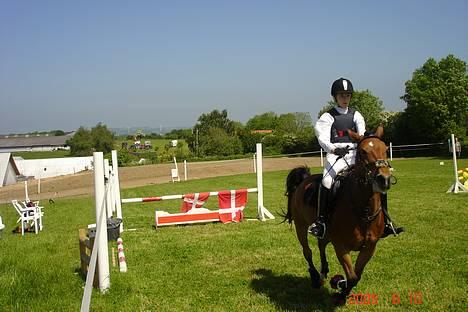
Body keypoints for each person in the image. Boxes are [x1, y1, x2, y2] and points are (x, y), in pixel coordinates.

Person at [309, 77, 404, 239]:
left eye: (347, 95)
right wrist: (333, 148)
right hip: (336, 156)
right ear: (335, 97)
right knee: (326, 181)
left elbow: (362, 135)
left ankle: (386, 221)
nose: (345, 99)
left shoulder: (356, 115)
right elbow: (322, 138)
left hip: (357, 155)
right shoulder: (327, 117)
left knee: (377, 179)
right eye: (341, 95)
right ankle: (322, 222)